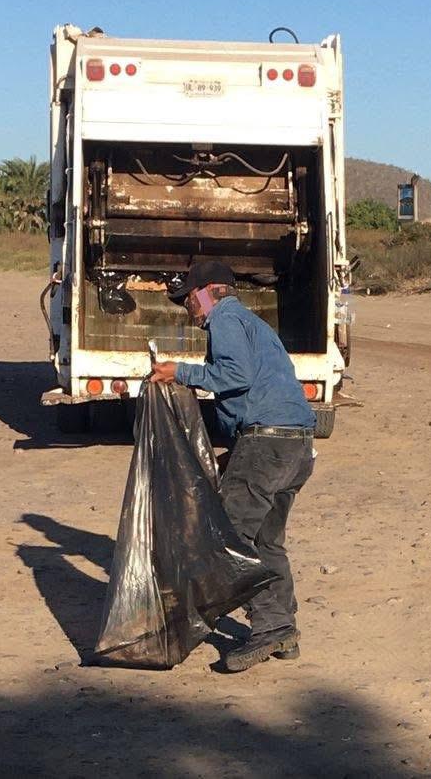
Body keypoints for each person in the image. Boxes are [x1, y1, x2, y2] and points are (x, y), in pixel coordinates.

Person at [149, 260, 316, 673]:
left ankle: (270, 628)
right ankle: (284, 628)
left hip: (268, 443)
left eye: (188, 299)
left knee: (231, 537)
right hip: (293, 445)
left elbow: (235, 375)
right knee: (266, 541)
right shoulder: (254, 325)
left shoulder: (225, 319)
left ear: (205, 293)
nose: (189, 308)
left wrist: (179, 372)